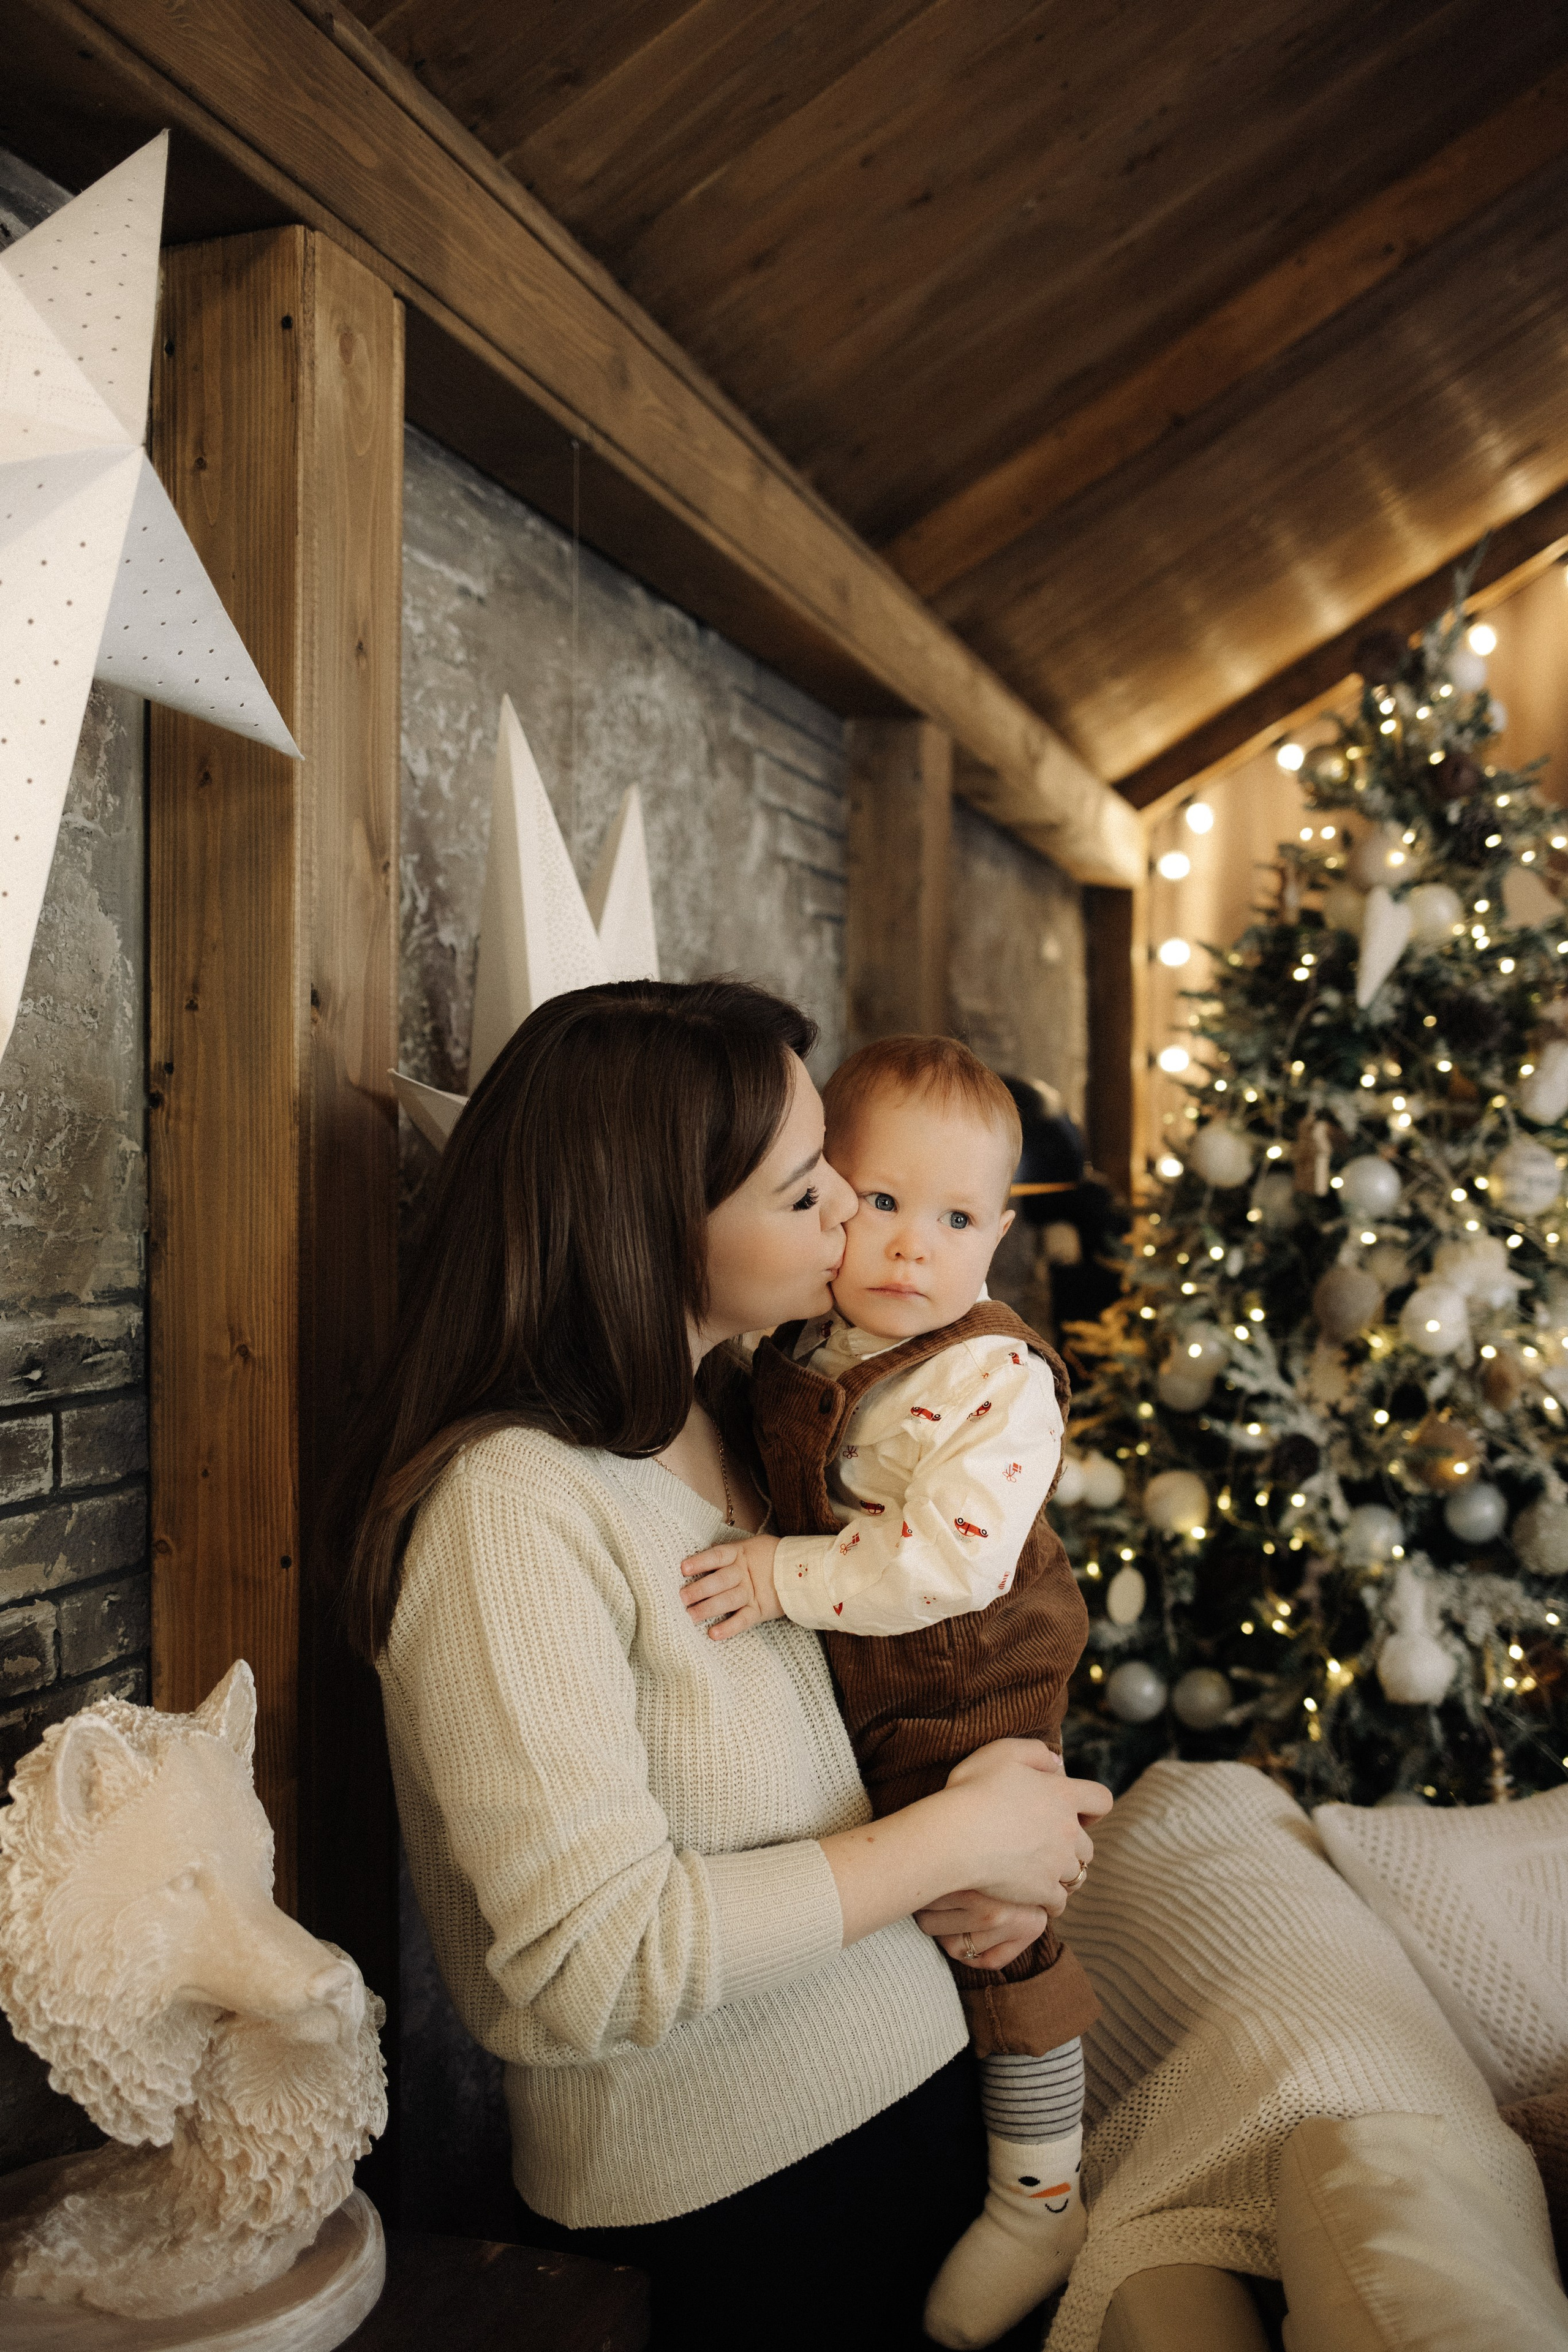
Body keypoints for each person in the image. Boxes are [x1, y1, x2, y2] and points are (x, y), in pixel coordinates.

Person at [332, 980, 1110, 2352]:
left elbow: (893, 1685)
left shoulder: (747, 1410)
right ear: (653, 1222)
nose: (855, 1223)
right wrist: (956, 1838)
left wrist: (1012, 1816)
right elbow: (590, 1963)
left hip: (924, 2091)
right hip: (738, 2197)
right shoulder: (512, 1512)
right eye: (808, 1191)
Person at [678, 1035, 1095, 2348]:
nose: (915, 1248)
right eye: (878, 1203)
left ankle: (1042, 2192)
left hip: (973, 1673)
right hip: (876, 1681)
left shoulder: (992, 1377)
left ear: (998, 1235)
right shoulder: (801, 1338)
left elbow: (947, 1564)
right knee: (943, 1903)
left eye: (958, 1218)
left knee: (999, 1926)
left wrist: (781, 1576)